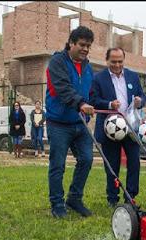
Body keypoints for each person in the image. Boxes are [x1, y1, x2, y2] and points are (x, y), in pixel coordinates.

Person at [45, 26, 95, 219]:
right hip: (59, 123)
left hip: (80, 123)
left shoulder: (87, 67)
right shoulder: (57, 62)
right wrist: (80, 103)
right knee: (57, 165)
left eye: (88, 46)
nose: (85, 49)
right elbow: (63, 89)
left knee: (87, 160)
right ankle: (57, 204)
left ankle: (74, 198)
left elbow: (90, 93)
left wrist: (105, 103)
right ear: (71, 43)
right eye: (82, 45)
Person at [90, 47, 146, 208]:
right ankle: (112, 198)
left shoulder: (133, 76)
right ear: (107, 61)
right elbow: (92, 99)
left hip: (130, 126)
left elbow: (142, 96)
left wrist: (139, 101)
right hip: (110, 128)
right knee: (112, 164)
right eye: (113, 61)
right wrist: (109, 104)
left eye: (120, 61)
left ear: (124, 60)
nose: (117, 65)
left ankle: (131, 196)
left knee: (134, 161)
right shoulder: (98, 78)